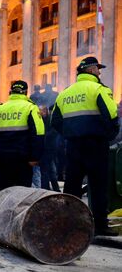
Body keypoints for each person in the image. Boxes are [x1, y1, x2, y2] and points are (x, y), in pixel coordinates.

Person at [51, 56, 119, 237]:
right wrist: (109, 136)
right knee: (98, 186)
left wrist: (69, 134)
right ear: (90, 70)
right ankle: (100, 226)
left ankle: (68, 224)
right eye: (98, 68)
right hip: (96, 144)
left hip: (73, 146)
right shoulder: (98, 89)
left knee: (72, 187)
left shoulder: (66, 92)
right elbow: (112, 115)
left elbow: (54, 120)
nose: (99, 72)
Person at [0, 80, 45, 189]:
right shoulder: (30, 107)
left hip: (3, 158)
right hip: (24, 158)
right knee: (23, 193)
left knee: (6, 192)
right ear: (25, 92)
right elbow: (38, 134)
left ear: (11, 92)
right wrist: (35, 157)